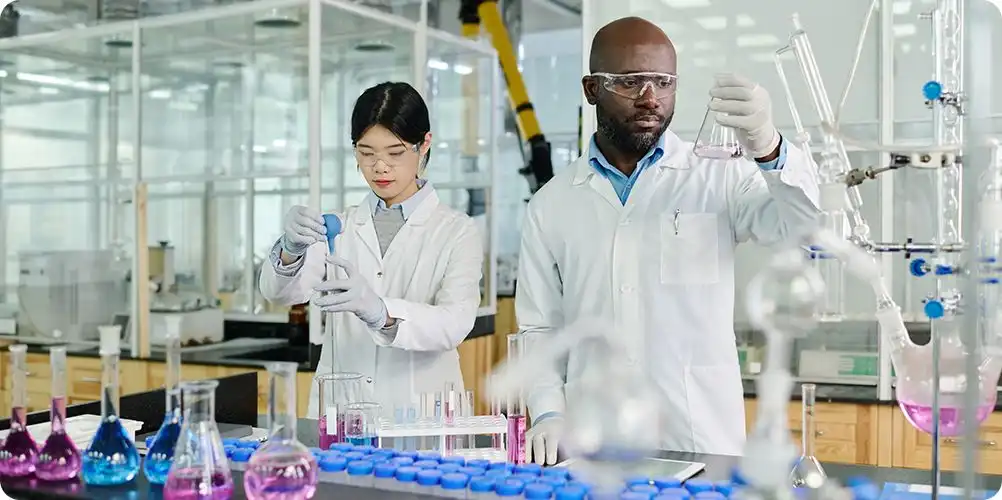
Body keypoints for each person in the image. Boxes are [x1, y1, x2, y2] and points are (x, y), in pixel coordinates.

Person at [516, 17, 821, 463]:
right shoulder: (550, 204)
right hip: (593, 440)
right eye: (630, 82)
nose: (650, 97)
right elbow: (540, 328)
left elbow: (804, 229)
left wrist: (770, 148)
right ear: (591, 89)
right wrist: (546, 412)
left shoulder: (719, 175)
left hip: (699, 439)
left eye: (663, 82)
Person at [259, 81, 484, 417]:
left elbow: (455, 323)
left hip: (421, 418)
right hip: (342, 415)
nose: (380, 167)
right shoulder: (339, 227)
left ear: (424, 144)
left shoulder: (457, 231)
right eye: (366, 153)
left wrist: (381, 312)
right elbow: (281, 293)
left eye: (395, 153)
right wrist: (290, 248)